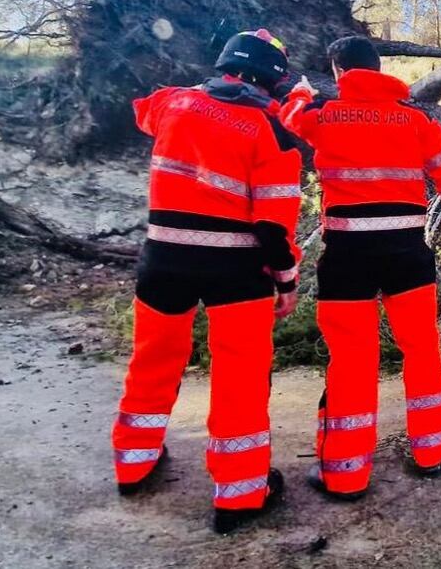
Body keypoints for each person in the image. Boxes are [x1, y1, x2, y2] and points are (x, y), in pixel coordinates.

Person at [112, 28, 303, 534]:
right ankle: (240, 494)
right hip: (236, 273)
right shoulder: (274, 131)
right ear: (274, 78)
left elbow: (142, 108)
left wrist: (197, 100)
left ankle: (133, 463)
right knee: (240, 376)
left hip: (163, 261)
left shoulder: (173, 103)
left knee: (152, 361)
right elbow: (273, 226)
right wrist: (287, 281)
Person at [278, 35, 441, 500]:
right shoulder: (416, 120)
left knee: (351, 360)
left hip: (347, 260)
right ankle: (431, 451)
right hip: (407, 258)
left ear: (340, 72)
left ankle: (345, 472)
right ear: (380, 68)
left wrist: (301, 93)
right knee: (422, 350)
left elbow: (286, 119)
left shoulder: (322, 116)